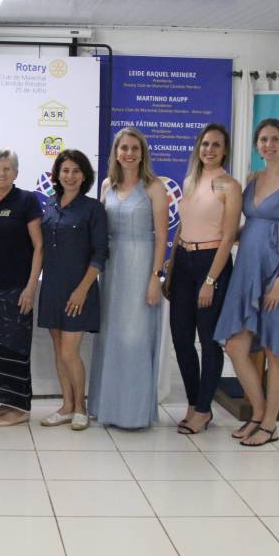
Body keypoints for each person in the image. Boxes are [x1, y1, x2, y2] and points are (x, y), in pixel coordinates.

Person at [214, 118, 279, 446]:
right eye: (263, 139)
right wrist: (219, 238)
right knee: (235, 346)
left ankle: (270, 425)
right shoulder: (252, 179)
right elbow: (251, 225)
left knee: (275, 351)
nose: (268, 145)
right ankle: (259, 413)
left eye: (274, 139)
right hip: (249, 270)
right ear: (256, 145)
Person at [89, 128, 168, 430]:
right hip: (112, 268)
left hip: (141, 267)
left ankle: (133, 413)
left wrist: (155, 277)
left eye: (135, 148)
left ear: (142, 153)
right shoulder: (107, 185)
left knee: (136, 337)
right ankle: (107, 407)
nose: (129, 153)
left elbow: (161, 237)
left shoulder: (154, 187)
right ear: (116, 152)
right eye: (124, 148)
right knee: (111, 336)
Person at [165, 124, 241, 434]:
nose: (209, 149)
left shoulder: (229, 186)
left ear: (225, 151)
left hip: (212, 262)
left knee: (208, 340)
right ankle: (193, 402)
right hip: (184, 261)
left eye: (216, 145)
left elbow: (228, 237)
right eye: (205, 144)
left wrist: (210, 281)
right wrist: (171, 267)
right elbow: (182, 226)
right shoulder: (190, 180)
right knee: (181, 338)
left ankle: (204, 409)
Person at [37, 149, 107, 430]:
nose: (70, 176)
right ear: (57, 174)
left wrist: (82, 290)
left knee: (69, 351)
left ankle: (81, 407)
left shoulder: (93, 208)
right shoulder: (50, 204)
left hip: (80, 289)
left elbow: (100, 253)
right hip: (52, 287)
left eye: (76, 171)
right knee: (58, 349)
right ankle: (66, 405)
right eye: (65, 170)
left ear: (85, 176)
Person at [0, 149, 43, 426]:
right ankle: (5, 401)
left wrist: (30, 288)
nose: (1, 173)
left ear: (15, 173)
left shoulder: (27, 200)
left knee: (15, 348)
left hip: (16, 289)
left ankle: (20, 408)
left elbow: (39, 247)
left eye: (7, 168)